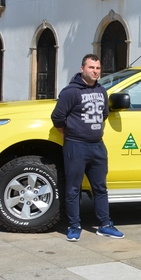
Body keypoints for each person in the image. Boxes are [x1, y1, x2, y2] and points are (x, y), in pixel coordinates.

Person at [51, 54, 123, 241]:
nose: (95, 71)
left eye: (98, 68)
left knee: (100, 188)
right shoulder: (70, 92)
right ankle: (74, 226)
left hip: (97, 146)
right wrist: (66, 132)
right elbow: (57, 117)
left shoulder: (101, 91)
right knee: (73, 188)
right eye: (91, 68)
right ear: (82, 69)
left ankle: (105, 225)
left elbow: (104, 114)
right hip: (76, 146)